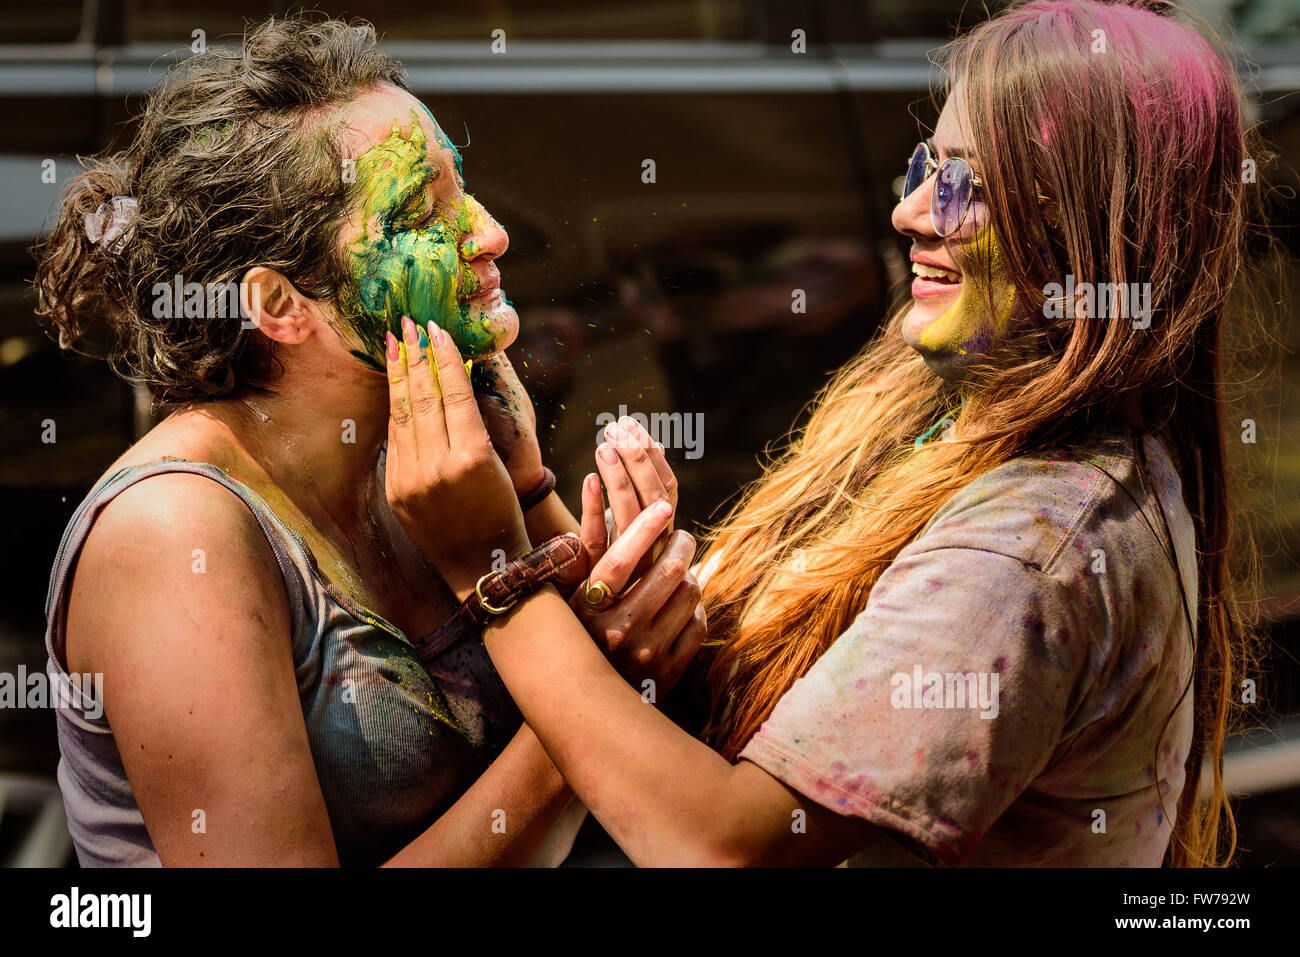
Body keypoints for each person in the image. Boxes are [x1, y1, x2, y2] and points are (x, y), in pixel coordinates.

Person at [385, 0, 1269, 866]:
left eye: (964, 186)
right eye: (924, 166)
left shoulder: (1035, 551)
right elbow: (767, 715)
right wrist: (546, 510)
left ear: (1088, 235)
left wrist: (490, 573)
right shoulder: (939, 401)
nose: (911, 212)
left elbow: (724, 844)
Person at [33, 15, 702, 867]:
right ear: (279, 305)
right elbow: (588, 703)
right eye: (424, 211)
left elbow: (624, 712)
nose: (491, 233)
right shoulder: (173, 534)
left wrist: (554, 516)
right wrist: (594, 697)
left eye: (465, 186)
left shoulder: (424, 446)